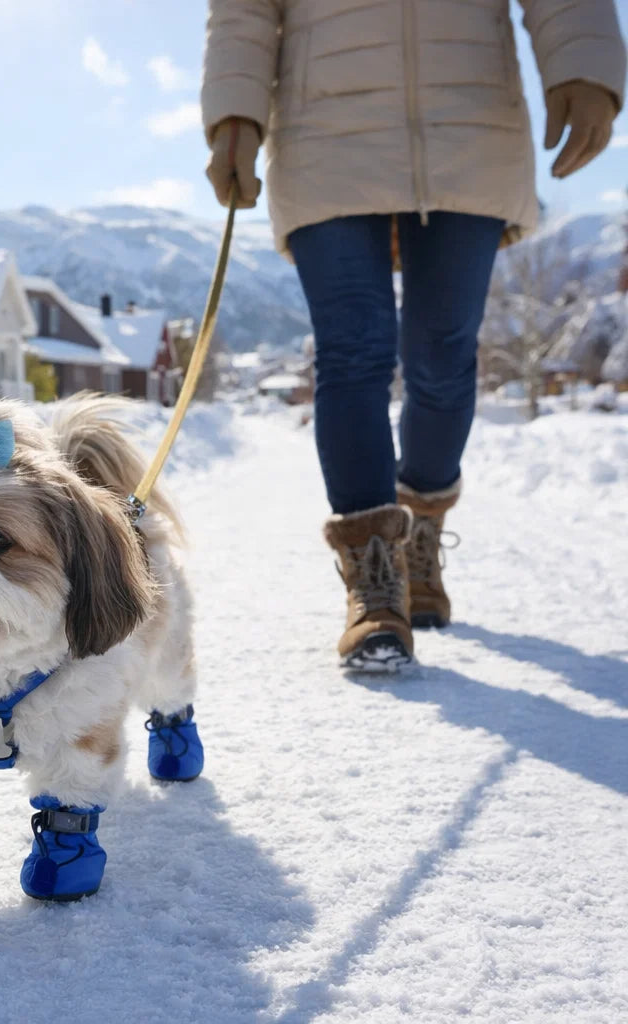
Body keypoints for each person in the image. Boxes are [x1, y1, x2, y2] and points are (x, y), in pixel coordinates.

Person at [202, 0, 626, 669]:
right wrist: (234, 114)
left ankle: (420, 529)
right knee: (351, 350)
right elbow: (244, 9)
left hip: (469, 123)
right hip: (325, 129)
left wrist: (585, 62)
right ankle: (375, 579)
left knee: (443, 354)